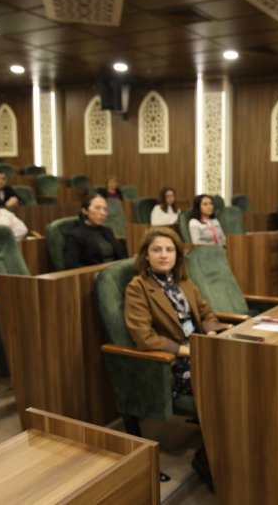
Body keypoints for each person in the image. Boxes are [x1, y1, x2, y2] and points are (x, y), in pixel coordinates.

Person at [124, 226, 220, 491]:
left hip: (200, 350)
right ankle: (207, 459)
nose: (164, 255)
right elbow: (144, 337)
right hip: (173, 362)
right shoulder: (138, 287)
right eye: (156, 250)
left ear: (178, 254)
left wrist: (212, 336)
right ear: (146, 255)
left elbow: (207, 314)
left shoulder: (184, 281)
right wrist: (185, 350)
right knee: (223, 385)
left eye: (169, 250)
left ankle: (220, 452)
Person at [63, 193, 127, 269]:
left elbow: (121, 257)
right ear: (85, 211)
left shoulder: (108, 231)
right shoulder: (75, 236)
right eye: (97, 208)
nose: (103, 213)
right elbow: (72, 265)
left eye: (105, 209)